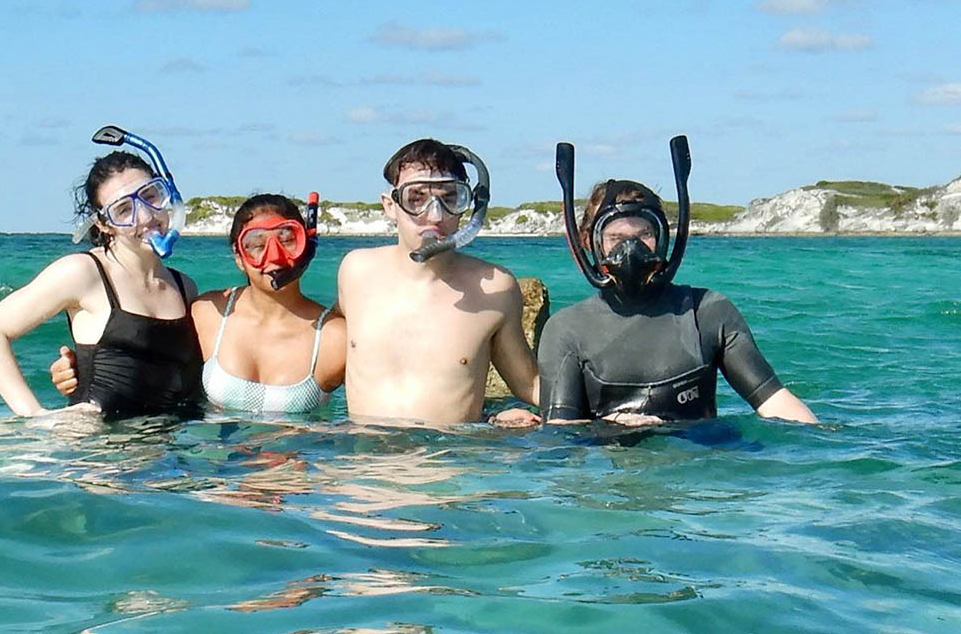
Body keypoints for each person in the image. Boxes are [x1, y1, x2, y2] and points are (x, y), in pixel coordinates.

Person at [536, 138, 817, 426]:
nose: (631, 249)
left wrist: (826, 445)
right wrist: (611, 431)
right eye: (617, 239)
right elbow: (561, 438)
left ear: (662, 239)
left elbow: (773, 400)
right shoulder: (567, 329)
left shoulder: (706, 311)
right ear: (589, 242)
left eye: (644, 234)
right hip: (612, 462)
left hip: (699, 460)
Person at [50, 194, 346, 414]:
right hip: (214, 479)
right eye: (255, 245)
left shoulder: (335, 338)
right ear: (238, 257)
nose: (273, 256)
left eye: (287, 240)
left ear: (307, 247)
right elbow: (147, 359)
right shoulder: (208, 315)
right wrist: (83, 368)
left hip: (295, 482)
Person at [0, 142, 202, 420]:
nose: (147, 215)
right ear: (104, 224)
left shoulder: (184, 287)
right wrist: (36, 416)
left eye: (151, 195)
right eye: (123, 210)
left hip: (164, 451)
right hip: (95, 454)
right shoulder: (83, 272)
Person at [336, 138, 541, 426]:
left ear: (468, 206)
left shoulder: (495, 287)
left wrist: (611, 404)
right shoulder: (356, 271)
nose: (435, 215)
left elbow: (530, 384)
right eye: (416, 198)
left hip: (452, 462)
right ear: (390, 206)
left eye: (450, 199)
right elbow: (319, 350)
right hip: (365, 463)